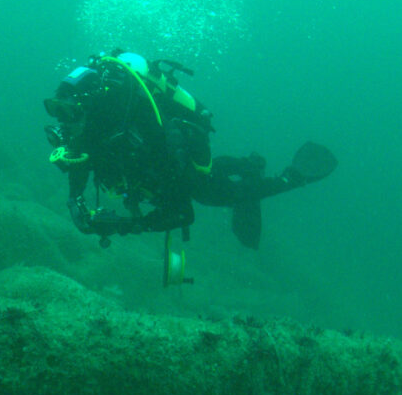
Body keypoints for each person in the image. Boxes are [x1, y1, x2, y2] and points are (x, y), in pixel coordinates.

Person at [45, 51, 336, 252]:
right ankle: (247, 164)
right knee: (202, 176)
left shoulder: (140, 134)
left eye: (68, 111)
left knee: (209, 192)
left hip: (172, 159)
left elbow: (183, 213)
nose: (62, 120)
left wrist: (125, 225)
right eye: (56, 110)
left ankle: (291, 178)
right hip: (161, 164)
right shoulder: (93, 132)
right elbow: (80, 165)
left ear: (92, 108)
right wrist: (75, 202)